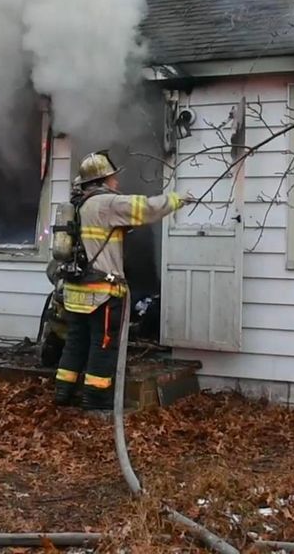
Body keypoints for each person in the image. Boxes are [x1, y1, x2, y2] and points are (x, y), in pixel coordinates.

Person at [54, 151, 191, 411]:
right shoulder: (107, 203)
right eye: (113, 177)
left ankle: (63, 393)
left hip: (75, 291)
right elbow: (146, 209)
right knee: (102, 345)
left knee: (75, 342)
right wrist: (177, 199)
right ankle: (95, 401)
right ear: (103, 180)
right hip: (102, 294)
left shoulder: (78, 203)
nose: (117, 182)